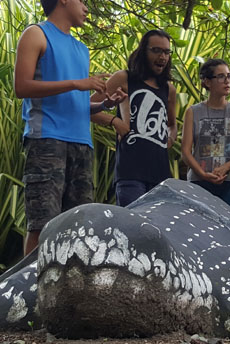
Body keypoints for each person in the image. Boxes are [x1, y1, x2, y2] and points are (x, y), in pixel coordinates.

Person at [13, 0, 125, 255]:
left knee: (77, 227)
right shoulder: (36, 34)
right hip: (46, 140)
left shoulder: (80, 49)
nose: (87, 7)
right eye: (83, 1)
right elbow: (22, 86)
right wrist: (76, 83)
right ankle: (31, 290)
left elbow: (77, 105)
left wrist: (105, 105)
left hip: (81, 144)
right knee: (42, 224)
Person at [90, 30, 177, 207]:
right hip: (131, 172)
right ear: (143, 51)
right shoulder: (124, 78)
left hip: (161, 175)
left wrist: (170, 138)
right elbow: (86, 108)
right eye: (156, 50)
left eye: (167, 52)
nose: (162, 56)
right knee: (135, 229)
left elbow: (172, 124)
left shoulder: (169, 89)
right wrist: (114, 121)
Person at [182, 59, 230, 213]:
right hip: (199, 182)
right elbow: (186, 152)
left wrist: (226, 168)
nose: (227, 81)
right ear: (207, 82)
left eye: (229, 76)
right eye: (221, 76)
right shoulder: (193, 112)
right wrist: (202, 174)